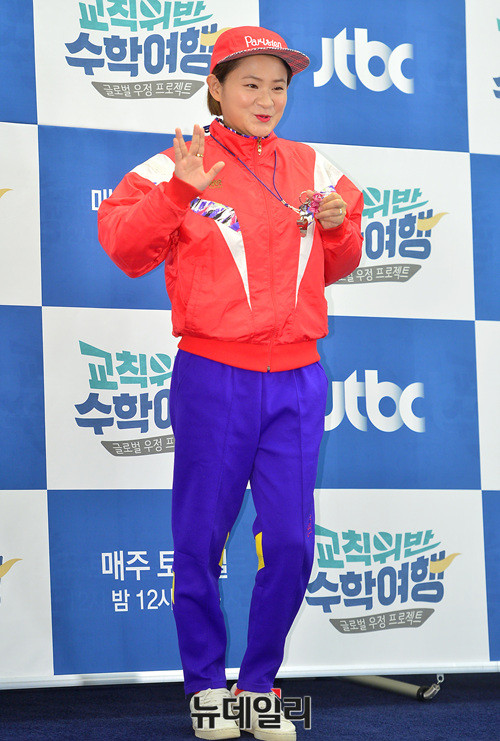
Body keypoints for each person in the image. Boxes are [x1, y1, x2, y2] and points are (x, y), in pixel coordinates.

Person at [98, 25, 363, 741]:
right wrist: (179, 191)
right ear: (216, 88)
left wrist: (338, 227)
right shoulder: (178, 161)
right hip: (215, 377)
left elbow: (340, 260)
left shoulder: (315, 165)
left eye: (278, 86)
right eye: (250, 84)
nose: (267, 98)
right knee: (200, 540)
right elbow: (123, 246)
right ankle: (205, 686)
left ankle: (258, 685)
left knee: (293, 545)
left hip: (299, 380)